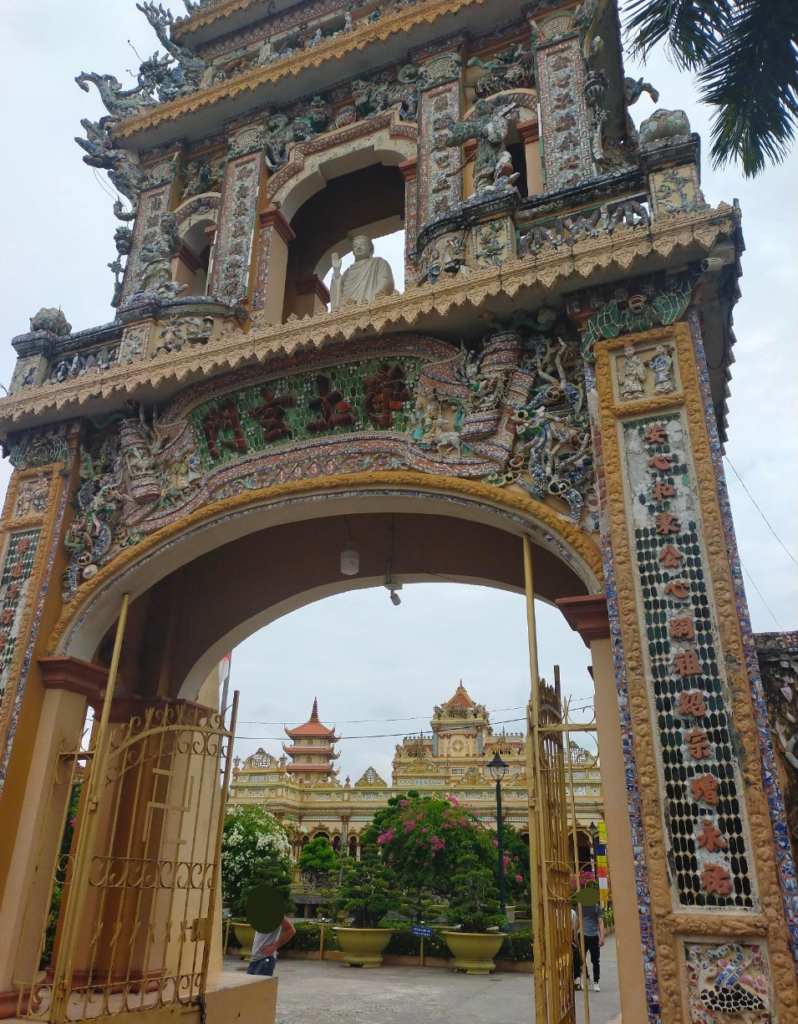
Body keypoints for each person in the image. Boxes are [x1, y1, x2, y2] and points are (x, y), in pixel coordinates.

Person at [330, 234, 394, 309]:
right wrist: (336, 272)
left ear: (370, 249)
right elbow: (338, 293)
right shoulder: (348, 272)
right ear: (353, 252)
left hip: (369, 305)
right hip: (347, 310)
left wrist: (374, 298)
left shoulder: (378, 262)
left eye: (362, 244)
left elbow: (386, 281)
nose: (359, 247)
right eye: (356, 246)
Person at [573, 882, 604, 992]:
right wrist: (575, 934)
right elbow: (577, 920)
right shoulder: (580, 906)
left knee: (595, 960)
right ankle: (578, 978)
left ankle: (596, 982)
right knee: (579, 958)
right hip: (583, 935)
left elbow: (600, 923)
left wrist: (602, 937)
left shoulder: (596, 908)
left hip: (593, 936)